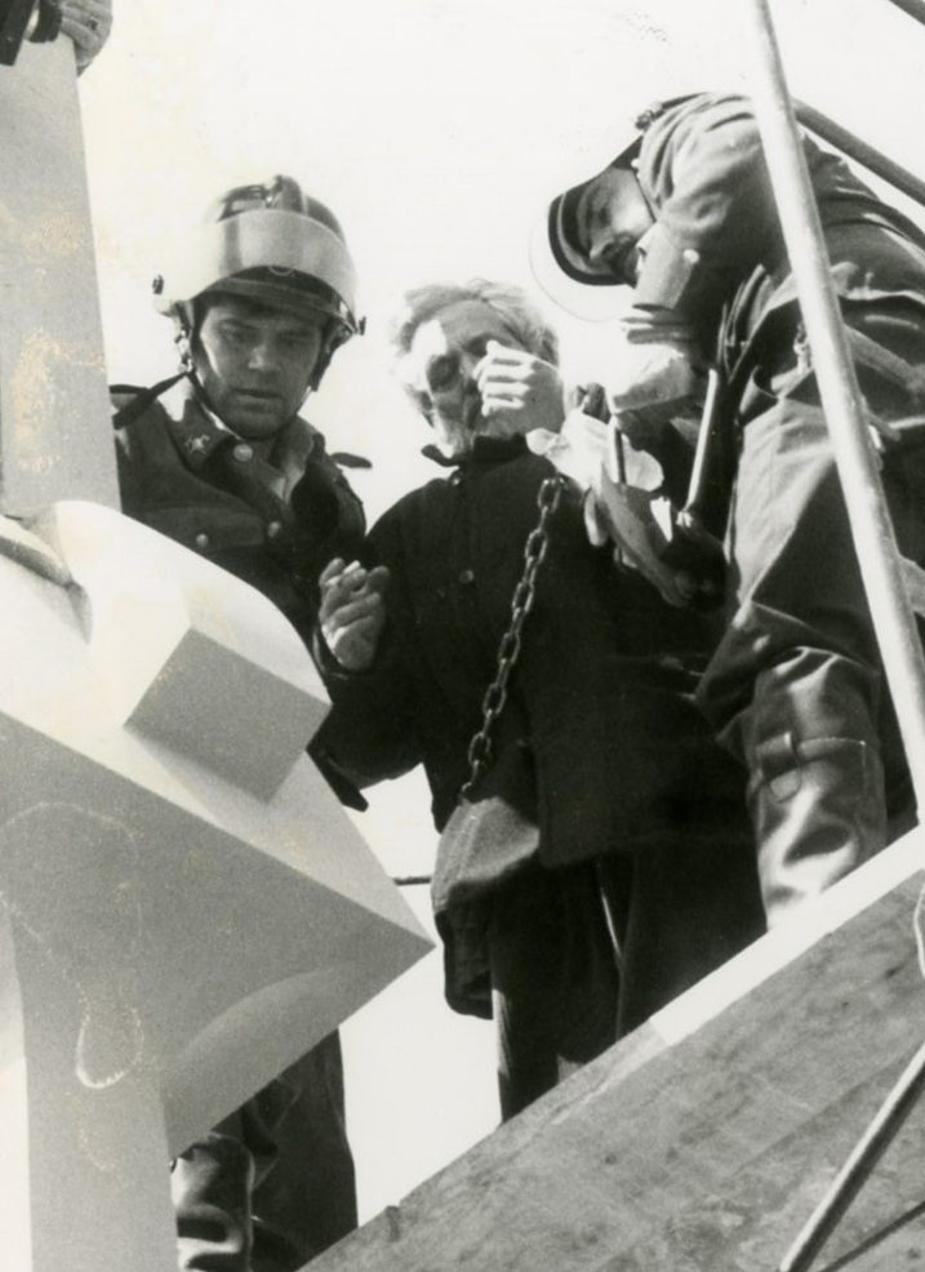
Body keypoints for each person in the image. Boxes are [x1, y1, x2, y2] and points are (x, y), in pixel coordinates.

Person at [542, 92, 925, 927]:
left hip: (849, 354)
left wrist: (656, 318)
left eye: (603, 213)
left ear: (627, 160)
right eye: (612, 263)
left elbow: (746, 143)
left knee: (789, 648)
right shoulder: (728, 327)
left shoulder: (679, 137)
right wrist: (627, 497)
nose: (619, 248)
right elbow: (705, 546)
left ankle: (826, 927)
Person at [316, 279, 765, 1119]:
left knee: (725, 1090)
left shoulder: (622, 436)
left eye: (490, 349)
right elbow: (371, 750)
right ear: (426, 410)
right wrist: (349, 660)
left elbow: (696, 560)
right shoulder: (403, 535)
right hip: (517, 876)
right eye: (444, 373)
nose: (473, 377)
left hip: (668, 826)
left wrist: (569, 421)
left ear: (540, 358)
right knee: (570, 1138)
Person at [112, 175, 364, 1272]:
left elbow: (336, 718)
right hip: (155, 815)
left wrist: (342, 659)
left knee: (307, 1154)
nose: (265, 360)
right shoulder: (115, 440)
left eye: (293, 338)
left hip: (289, 826)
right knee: (204, 1130)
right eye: (240, 329)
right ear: (190, 331)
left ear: (325, 353)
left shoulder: (330, 506)